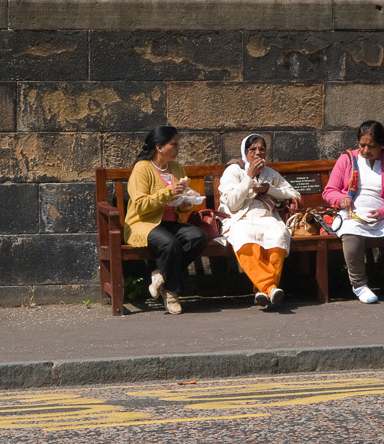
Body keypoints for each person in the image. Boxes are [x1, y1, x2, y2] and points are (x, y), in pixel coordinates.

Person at [322, 121, 384, 305]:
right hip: (354, 213)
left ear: (382, 145)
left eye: (372, 146)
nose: (366, 150)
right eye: (362, 145)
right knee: (350, 230)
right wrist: (341, 199)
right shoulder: (347, 160)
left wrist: (383, 212)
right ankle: (359, 285)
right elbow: (329, 191)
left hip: (383, 214)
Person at [124, 125, 209, 314]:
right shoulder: (142, 169)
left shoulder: (177, 168)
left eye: (178, 144)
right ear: (159, 147)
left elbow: (178, 202)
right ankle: (171, 293)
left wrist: (185, 203)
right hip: (144, 223)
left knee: (198, 236)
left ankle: (161, 275)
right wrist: (169, 191)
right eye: (174, 144)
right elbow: (140, 205)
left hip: (170, 223)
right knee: (170, 244)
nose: (178, 148)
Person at [218, 134, 301, 308]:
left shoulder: (270, 173)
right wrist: (249, 177)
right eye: (252, 149)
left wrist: (268, 189)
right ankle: (270, 288)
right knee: (243, 235)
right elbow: (233, 204)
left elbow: (294, 195)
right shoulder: (233, 170)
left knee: (279, 233)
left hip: (267, 217)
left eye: (261, 149)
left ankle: (263, 289)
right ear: (244, 152)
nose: (258, 153)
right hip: (241, 218)